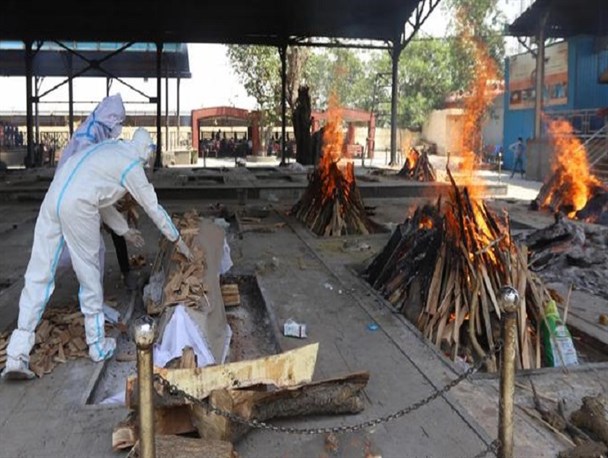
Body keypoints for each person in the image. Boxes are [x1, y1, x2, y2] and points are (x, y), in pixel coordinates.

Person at [1, 127, 193, 380]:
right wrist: (177, 238)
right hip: (78, 206)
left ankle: (16, 355)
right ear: (147, 152)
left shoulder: (109, 150)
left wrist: (124, 231)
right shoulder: (132, 165)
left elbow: (98, 196)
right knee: (89, 274)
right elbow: (152, 207)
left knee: (38, 274)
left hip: (54, 196)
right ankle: (97, 345)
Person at [56, 94, 137, 289]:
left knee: (91, 244)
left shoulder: (98, 133)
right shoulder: (88, 137)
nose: (120, 127)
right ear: (110, 119)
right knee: (91, 246)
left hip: (83, 194)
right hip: (75, 196)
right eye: (119, 122)